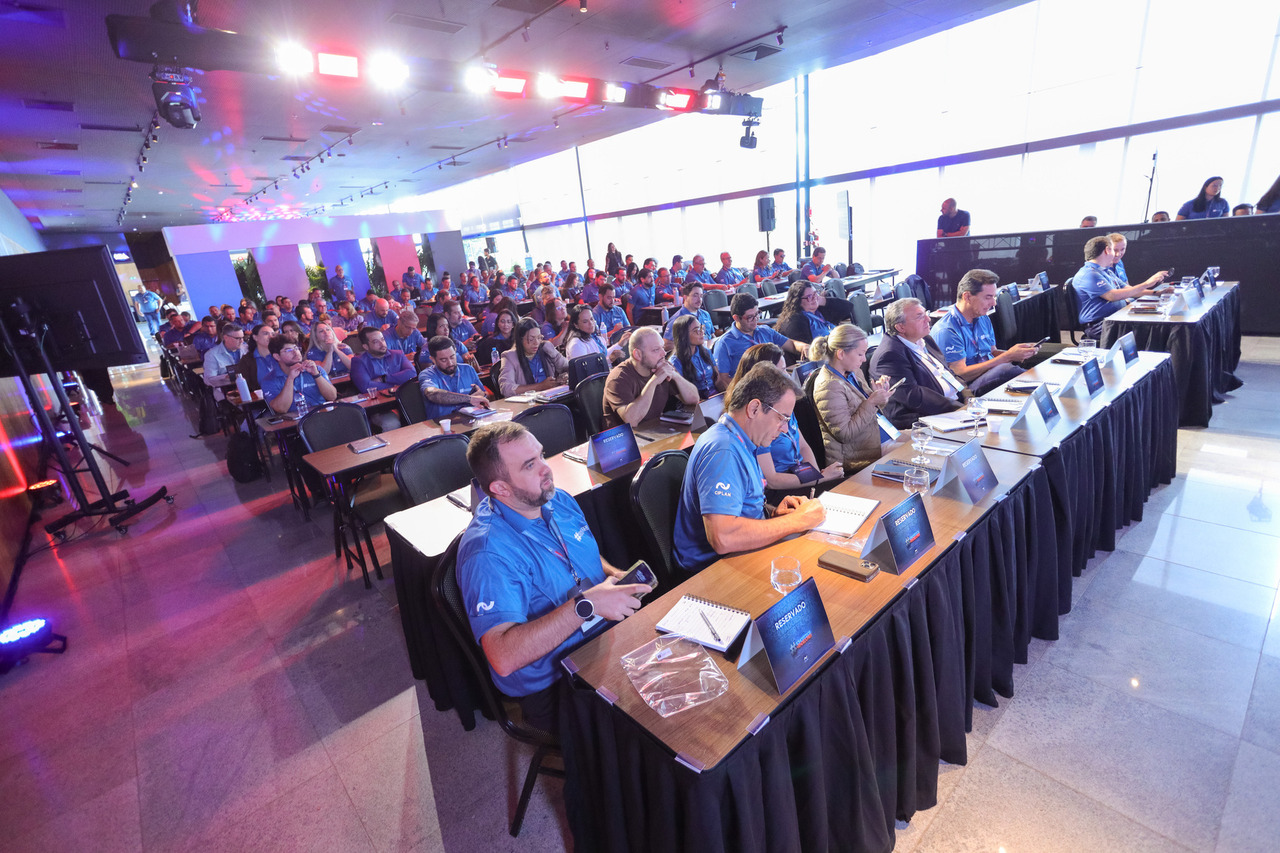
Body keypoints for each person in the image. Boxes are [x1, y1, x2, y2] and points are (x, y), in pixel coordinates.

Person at [456, 421, 647, 729]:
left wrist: (614, 576)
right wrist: (587, 605)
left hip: (600, 637)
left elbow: (581, 554)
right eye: (530, 465)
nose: (547, 469)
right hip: (556, 681)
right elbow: (503, 657)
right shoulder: (488, 554)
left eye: (541, 455)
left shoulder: (556, 499)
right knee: (652, 726)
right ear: (500, 488)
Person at [673, 362, 827, 573]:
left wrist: (773, 512)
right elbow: (723, 538)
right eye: (782, 418)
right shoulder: (723, 450)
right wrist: (796, 520)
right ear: (754, 408)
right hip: (713, 569)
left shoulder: (741, 440)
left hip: (738, 555)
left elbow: (742, 508)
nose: (784, 429)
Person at [728, 343, 842, 496]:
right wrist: (819, 479)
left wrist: (816, 477)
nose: (787, 376)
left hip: (802, 477)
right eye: (781, 371)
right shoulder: (757, 424)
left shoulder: (781, 408)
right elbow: (772, 480)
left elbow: (803, 446)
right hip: (781, 489)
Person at [929, 270, 1041, 395]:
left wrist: (1018, 353)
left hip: (989, 375)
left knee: (1017, 370)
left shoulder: (983, 318)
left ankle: (1041, 388)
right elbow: (959, 374)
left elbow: (992, 352)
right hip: (966, 388)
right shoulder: (947, 330)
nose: (994, 303)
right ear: (967, 297)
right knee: (1005, 370)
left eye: (994, 297)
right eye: (988, 297)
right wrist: (1007, 357)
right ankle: (1041, 388)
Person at [869, 297, 967, 428]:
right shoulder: (889, 355)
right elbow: (915, 397)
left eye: (926, 313)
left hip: (954, 405)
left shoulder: (925, 339)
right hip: (925, 418)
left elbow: (947, 372)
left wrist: (967, 396)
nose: (928, 319)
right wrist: (960, 409)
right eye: (920, 317)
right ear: (900, 327)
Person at [810, 324, 893, 474]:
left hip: (876, 439)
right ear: (841, 354)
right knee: (913, 451)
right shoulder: (828, 386)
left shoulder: (854, 372)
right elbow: (845, 434)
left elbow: (870, 410)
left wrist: (880, 395)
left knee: (919, 440)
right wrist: (872, 402)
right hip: (857, 457)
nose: (864, 359)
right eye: (860, 354)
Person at [602, 327, 699, 429]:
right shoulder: (618, 378)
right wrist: (653, 382)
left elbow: (693, 399)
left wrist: (674, 375)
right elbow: (631, 421)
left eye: (662, 347)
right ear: (638, 354)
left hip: (653, 430)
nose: (664, 353)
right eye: (656, 350)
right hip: (624, 436)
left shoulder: (662, 366)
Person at [1072, 235, 1168, 336]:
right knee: (1151, 329)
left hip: (1115, 318)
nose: (1117, 255)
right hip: (1100, 325)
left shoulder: (1106, 271)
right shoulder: (1089, 274)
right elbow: (1112, 296)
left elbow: (1129, 290)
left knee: (1154, 322)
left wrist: (1158, 293)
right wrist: (1147, 284)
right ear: (1107, 250)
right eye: (1114, 250)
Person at [712, 291, 805, 376]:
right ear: (736, 318)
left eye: (757, 314)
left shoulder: (765, 331)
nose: (756, 319)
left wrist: (804, 347)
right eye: (750, 317)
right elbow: (722, 380)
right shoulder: (724, 343)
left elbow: (792, 344)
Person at [417, 336, 490, 421]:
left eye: (452, 357)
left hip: (471, 420)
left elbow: (486, 395)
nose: (450, 363)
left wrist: (483, 395)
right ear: (433, 359)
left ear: (455, 351)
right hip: (442, 424)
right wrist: (469, 399)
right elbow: (431, 393)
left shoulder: (468, 369)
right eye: (443, 360)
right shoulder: (427, 374)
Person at [261, 335, 338, 415]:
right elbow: (281, 409)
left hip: (321, 415)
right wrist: (290, 379)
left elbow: (332, 396)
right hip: (295, 421)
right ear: (277, 356)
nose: (295, 352)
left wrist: (316, 375)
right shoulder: (269, 380)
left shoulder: (315, 369)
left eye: (296, 348)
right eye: (289, 350)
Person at [498, 317, 569, 397]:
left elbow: (568, 367)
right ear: (520, 340)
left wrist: (563, 377)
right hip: (528, 401)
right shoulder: (510, 357)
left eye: (539, 337)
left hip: (552, 396)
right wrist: (540, 386)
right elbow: (506, 389)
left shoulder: (546, 347)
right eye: (531, 339)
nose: (536, 342)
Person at [669, 313, 727, 399]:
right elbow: (683, 396)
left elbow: (718, 381)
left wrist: (728, 396)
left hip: (714, 397)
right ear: (683, 335)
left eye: (701, 328)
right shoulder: (675, 362)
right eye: (696, 330)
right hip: (695, 401)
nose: (702, 332)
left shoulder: (706, 352)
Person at [350, 327, 417, 395]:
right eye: (376, 342)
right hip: (379, 400)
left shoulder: (398, 354)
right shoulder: (358, 362)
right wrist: (396, 385)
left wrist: (384, 379)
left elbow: (412, 373)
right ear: (366, 346)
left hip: (403, 395)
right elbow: (366, 387)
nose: (382, 344)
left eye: (382, 339)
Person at [775, 281, 833, 347]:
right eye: (809, 296)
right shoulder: (795, 321)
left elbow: (843, 306)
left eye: (815, 293)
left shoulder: (820, 310)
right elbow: (807, 349)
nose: (814, 298)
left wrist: (824, 300)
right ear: (797, 300)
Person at [564, 304, 628, 364]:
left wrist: (620, 344)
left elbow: (603, 354)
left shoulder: (592, 336)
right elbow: (586, 368)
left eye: (591, 319)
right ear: (576, 325)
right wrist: (610, 359)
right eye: (585, 321)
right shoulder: (576, 344)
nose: (591, 323)